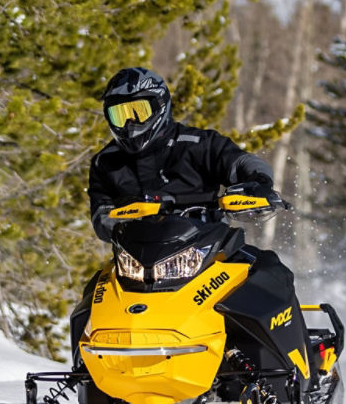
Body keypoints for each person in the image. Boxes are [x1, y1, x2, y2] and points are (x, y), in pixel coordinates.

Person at [71, 67, 291, 366]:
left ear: (160, 106)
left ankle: (291, 370)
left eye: (138, 110)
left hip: (207, 251)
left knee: (270, 272)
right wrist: (118, 217)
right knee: (93, 296)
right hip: (136, 258)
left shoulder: (197, 144)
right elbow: (101, 215)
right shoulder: (106, 162)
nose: (131, 123)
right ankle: (87, 372)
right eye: (120, 115)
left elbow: (241, 161)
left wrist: (256, 181)